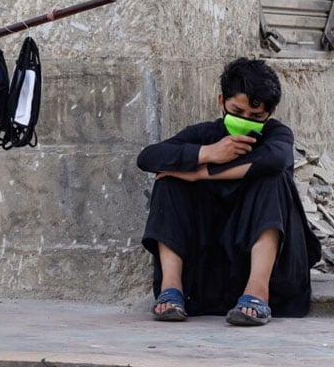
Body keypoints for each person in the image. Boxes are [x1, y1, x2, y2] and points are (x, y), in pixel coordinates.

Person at [137, 57, 321, 326]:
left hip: (271, 275)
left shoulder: (276, 136)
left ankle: (257, 293)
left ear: (270, 113)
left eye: (256, 117)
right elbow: (148, 157)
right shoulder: (205, 134)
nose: (245, 121)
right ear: (222, 101)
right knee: (169, 181)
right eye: (237, 111)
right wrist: (206, 153)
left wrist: (203, 171)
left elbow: (275, 160)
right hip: (207, 273)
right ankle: (172, 288)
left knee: (273, 179)